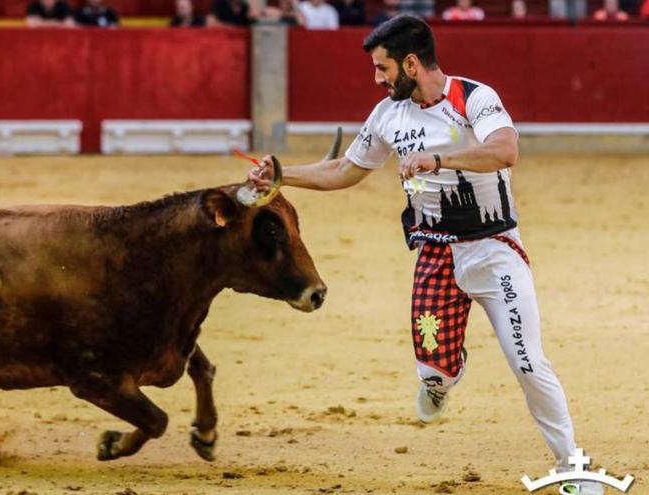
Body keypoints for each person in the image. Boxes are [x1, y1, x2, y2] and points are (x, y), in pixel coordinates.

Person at [247, 15, 603, 495]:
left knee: (527, 362)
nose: (377, 79)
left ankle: (572, 468)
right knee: (433, 369)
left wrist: (440, 159)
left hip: (495, 250)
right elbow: (344, 169)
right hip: (435, 254)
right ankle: (441, 378)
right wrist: (281, 175)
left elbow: (505, 150)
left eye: (383, 68)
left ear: (411, 63)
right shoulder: (387, 115)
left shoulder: (474, 98)